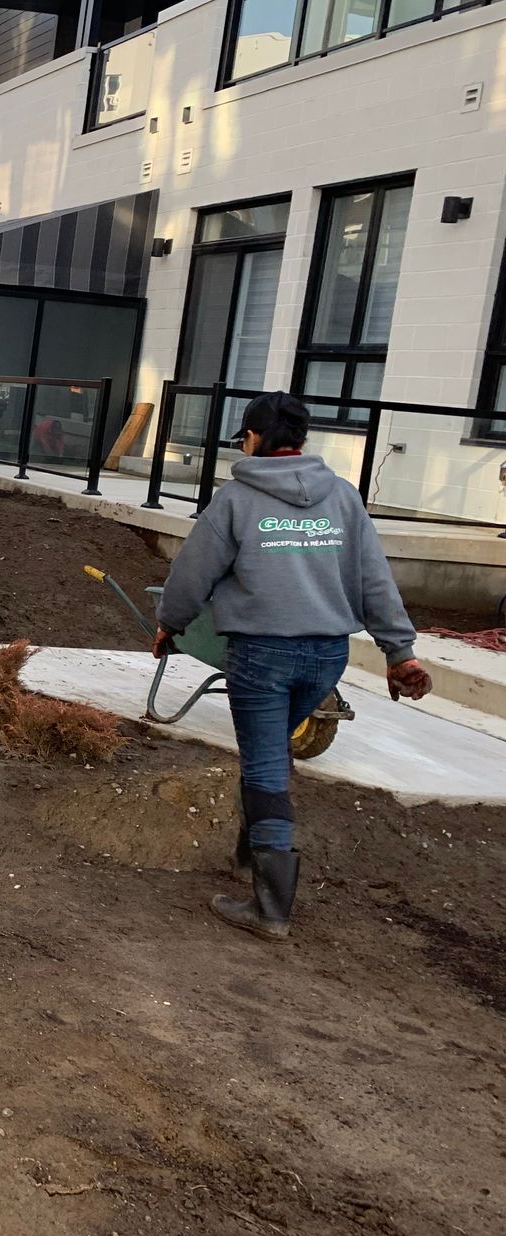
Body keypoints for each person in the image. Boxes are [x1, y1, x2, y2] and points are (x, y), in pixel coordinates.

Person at [156, 391, 432, 942]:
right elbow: (374, 578)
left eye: (244, 438)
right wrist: (399, 651)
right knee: (271, 750)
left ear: (254, 438)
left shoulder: (236, 500)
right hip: (327, 656)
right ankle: (248, 858)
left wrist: (170, 622)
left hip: (262, 654)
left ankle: (271, 910)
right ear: (302, 440)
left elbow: (192, 573)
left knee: (265, 764)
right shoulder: (344, 498)